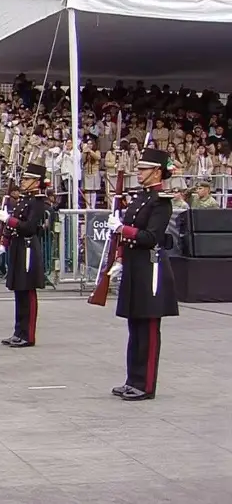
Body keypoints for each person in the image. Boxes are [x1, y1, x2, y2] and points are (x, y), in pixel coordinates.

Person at [106, 147, 179, 401]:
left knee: (147, 328)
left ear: (157, 171)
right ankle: (132, 379)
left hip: (151, 269)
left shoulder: (161, 201)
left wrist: (123, 230)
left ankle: (145, 384)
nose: (139, 172)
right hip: (135, 267)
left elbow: (151, 237)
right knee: (134, 326)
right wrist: (119, 258)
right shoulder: (141, 198)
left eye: (144, 169)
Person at [0, 163, 48, 348]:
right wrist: (4, 242)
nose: (23, 181)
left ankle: (28, 334)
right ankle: (18, 331)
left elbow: (29, 227)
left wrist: (9, 219)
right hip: (18, 247)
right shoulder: (24, 200)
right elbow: (14, 225)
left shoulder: (38, 202)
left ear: (37, 182)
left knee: (28, 291)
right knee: (19, 290)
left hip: (28, 247)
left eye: (27, 179)